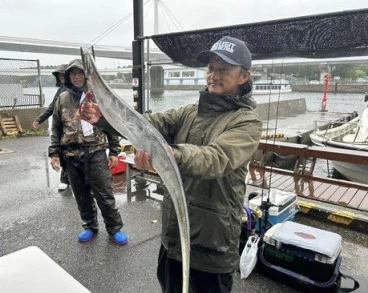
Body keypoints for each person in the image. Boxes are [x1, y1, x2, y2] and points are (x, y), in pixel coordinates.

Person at [81, 36, 262, 292]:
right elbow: (146, 125)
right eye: (211, 68)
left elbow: (216, 158)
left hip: (212, 247)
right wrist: (105, 118)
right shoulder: (189, 112)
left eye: (224, 69)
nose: (214, 75)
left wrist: (167, 154)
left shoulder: (247, 122)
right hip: (173, 238)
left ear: (244, 76)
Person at [48, 58, 128, 245]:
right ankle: (89, 226)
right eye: (72, 73)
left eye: (80, 73)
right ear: (67, 77)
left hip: (96, 152)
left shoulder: (97, 97)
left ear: (86, 75)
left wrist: (114, 152)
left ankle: (114, 228)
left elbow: (111, 125)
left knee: (105, 195)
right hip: (71, 156)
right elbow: (56, 129)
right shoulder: (62, 99)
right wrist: (54, 154)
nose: (76, 76)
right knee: (82, 196)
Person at [33, 63, 70, 191]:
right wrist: (40, 119)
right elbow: (51, 107)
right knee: (64, 152)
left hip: (79, 129)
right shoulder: (60, 91)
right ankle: (65, 179)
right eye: (59, 76)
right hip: (63, 127)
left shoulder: (81, 89)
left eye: (63, 76)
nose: (62, 78)